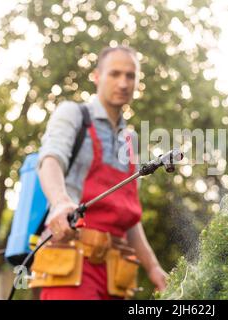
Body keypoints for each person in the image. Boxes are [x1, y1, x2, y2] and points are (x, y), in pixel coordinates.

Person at [35, 45, 167, 300]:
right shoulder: (74, 114)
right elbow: (50, 159)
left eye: (131, 76)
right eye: (115, 74)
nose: (123, 82)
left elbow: (130, 218)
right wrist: (61, 203)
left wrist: (152, 267)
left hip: (116, 276)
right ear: (97, 77)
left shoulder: (131, 141)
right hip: (71, 265)